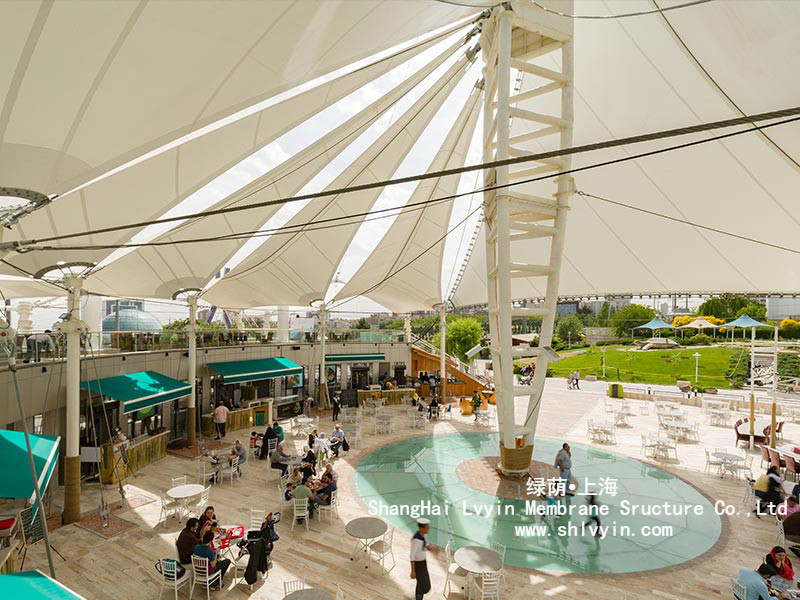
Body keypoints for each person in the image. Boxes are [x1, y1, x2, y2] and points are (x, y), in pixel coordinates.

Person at [410, 518, 438, 600]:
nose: (428, 529)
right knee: (422, 584)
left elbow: (423, 545)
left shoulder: (423, 535)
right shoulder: (416, 540)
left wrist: (429, 547)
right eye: (427, 528)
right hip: (418, 564)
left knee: (422, 583)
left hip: (423, 562)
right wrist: (413, 571)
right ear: (421, 528)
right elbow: (412, 556)